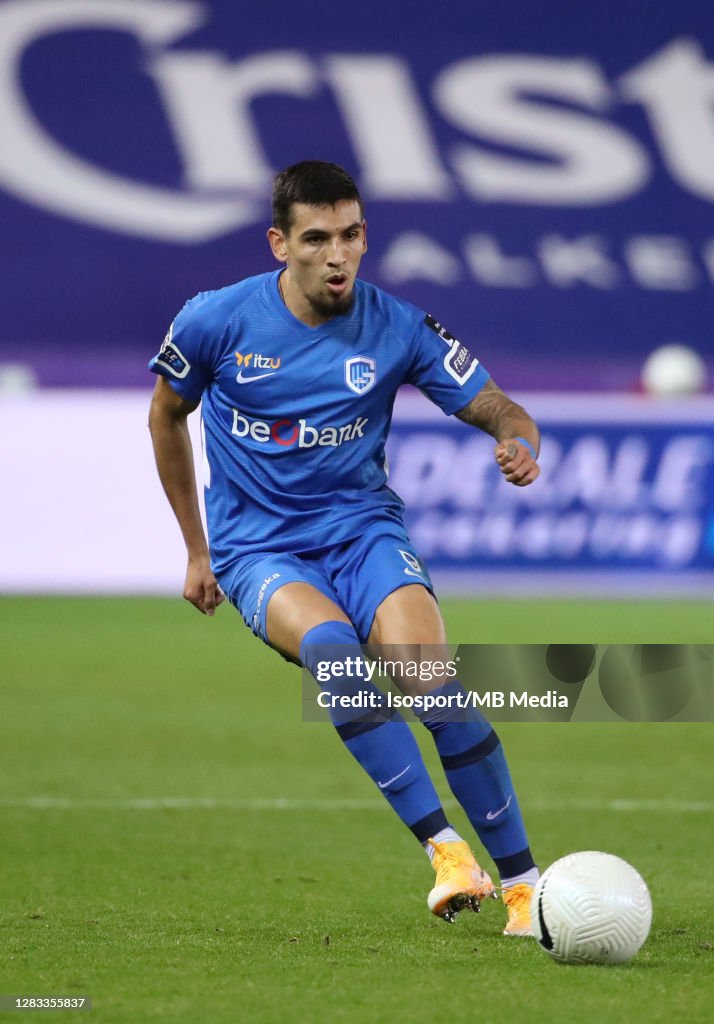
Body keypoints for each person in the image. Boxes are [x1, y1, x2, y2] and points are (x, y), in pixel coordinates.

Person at [148, 160, 541, 935]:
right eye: (317, 239)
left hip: (365, 535)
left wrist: (518, 440)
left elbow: (497, 404)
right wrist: (197, 550)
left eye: (351, 235)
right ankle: (447, 853)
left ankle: (526, 889)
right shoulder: (214, 321)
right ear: (280, 244)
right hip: (260, 549)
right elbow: (166, 415)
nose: (337, 255)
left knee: (433, 687)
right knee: (335, 655)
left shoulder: (400, 326)